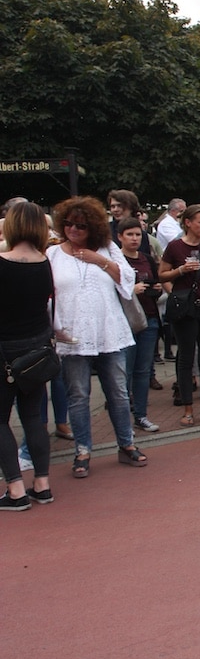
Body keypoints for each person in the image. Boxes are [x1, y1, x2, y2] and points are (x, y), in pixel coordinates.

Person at [48, 197, 147, 478]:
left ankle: (126, 444)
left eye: (80, 225)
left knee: (117, 392)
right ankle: (82, 450)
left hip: (109, 331)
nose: (73, 230)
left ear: (91, 227)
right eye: (68, 224)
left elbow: (127, 281)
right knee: (78, 395)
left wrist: (100, 260)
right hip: (72, 335)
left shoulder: (106, 248)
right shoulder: (53, 255)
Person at [0, 202, 57, 509]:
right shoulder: (43, 262)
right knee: (34, 417)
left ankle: (15, 489)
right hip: (36, 348)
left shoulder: (2, 261)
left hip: (5, 348)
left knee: (0, 420)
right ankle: (42, 483)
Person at [159, 204, 200, 426]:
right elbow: (162, 275)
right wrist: (181, 271)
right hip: (184, 309)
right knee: (185, 357)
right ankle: (187, 408)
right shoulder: (175, 247)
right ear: (188, 223)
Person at [119, 217, 163, 433]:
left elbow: (156, 282)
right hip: (124, 321)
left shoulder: (147, 259)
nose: (135, 239)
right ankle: (123, 419)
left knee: (143, 371)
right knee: (124, 371)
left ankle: (141, 415)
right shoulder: (115, 260)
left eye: (138, 235)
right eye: (130, 234)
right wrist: (131, 290)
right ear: (120, 237)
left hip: (149, 318)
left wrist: (156, 290)